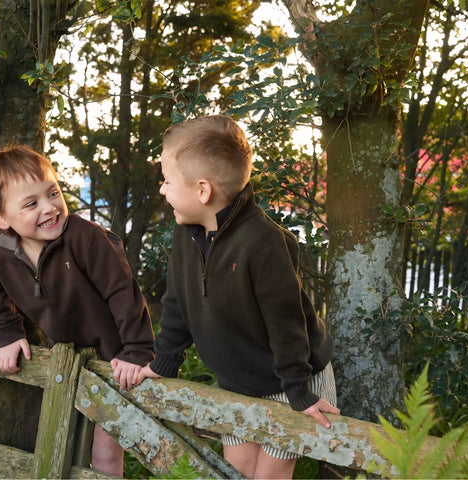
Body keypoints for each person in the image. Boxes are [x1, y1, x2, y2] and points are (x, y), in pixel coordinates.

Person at [136, 115, 340, 479]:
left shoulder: (264, 243)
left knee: (269, 476)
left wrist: (298, 390)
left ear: (203, 191)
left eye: (167, 181)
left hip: (292, 378)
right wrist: (165, 360)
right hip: (239, 381)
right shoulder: (184, 234)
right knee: (237, 470)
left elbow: (286, 322)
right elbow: (178, 303)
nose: (162, 190)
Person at [0, 144, 154, 477]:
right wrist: (8, 334)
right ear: (0, 218)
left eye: (53, 193)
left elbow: (124, 294)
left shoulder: (88, 239)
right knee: (63, 448)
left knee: (104, 456)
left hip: (115, 363)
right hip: (67, 363)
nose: (50, 208)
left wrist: (138, 350)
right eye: (31, 203)